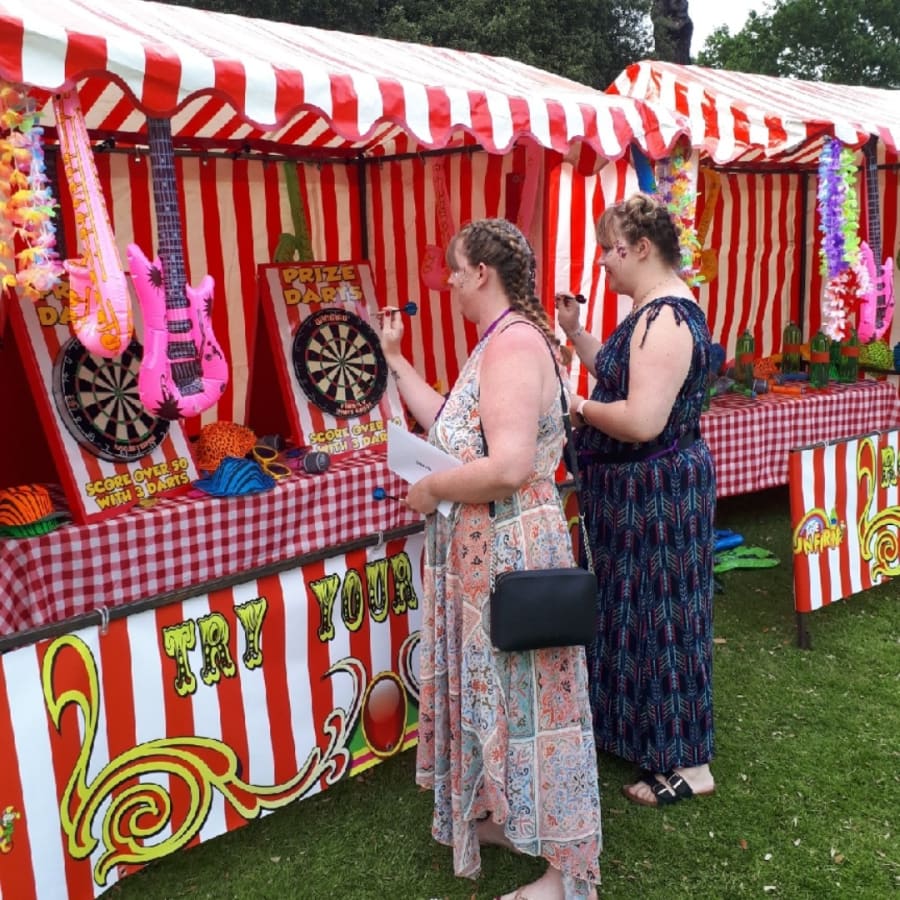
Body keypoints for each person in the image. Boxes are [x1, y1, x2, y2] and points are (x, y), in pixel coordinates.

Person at [378, 218, 601, 900]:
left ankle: (569, 877)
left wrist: (431, 488)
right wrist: (394, 359)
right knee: (509, 696)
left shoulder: (511, 345)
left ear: (481, 273)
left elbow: (503, 467)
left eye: (454, 268)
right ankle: (513, 815)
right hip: (494, 549)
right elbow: (450, 420)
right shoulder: (505, 341)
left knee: (538, 701)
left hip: (509, 550)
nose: (446, 280)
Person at [557, 192, 716, 808]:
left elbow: (644, 417)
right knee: (636, 614)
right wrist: (575, 335)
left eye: (609, 249)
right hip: (636, 495)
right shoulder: (652, 311)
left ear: (641, 249)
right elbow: (622, 375)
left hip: (659, 496)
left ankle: (690, 761)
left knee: (666, 619)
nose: (601, 262)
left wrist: (573, 405)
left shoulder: (668, 318)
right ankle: (643, 736)